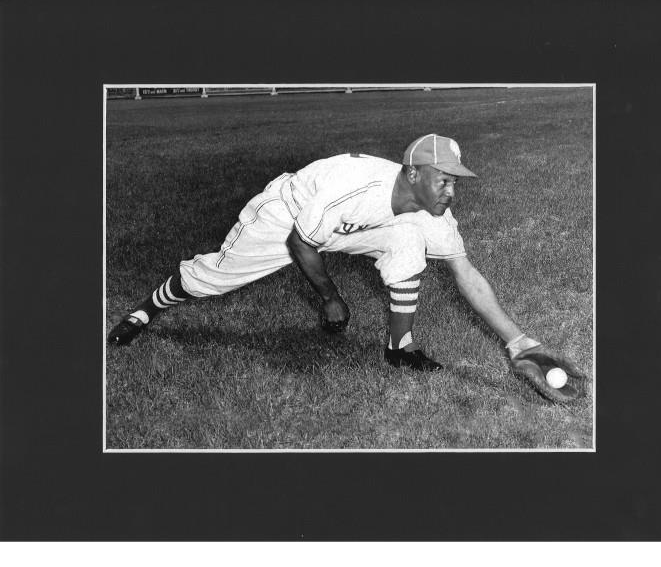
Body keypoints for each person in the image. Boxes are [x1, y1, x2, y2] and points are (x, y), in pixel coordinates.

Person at [108, 134, 584, 402]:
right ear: (414, 174)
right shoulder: (351, 188)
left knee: (408, 239)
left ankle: (400, 347)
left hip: (354, 226)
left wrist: (522, 343)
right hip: (290, 216)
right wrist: (332, 298)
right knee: (212, 277)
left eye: (455, 182)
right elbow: (302, 243)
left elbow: (467, 274)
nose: (451, 192)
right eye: (444, 180)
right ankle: (146, 311)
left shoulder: (429, 211)